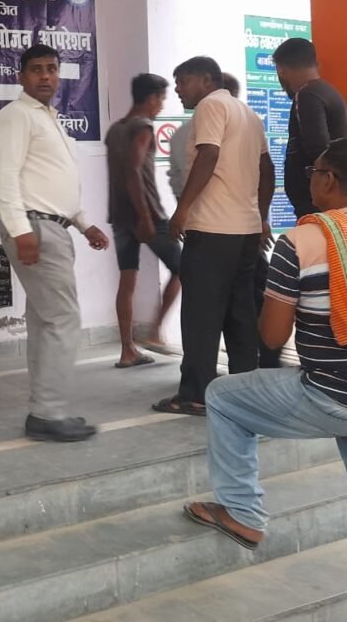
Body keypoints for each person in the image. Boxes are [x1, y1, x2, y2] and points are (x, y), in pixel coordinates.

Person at [185, 138, 347, 622]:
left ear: (329, 180)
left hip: (332, 398)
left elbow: (272, 336)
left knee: (222, 396)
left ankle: (243, 512)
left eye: (314, 171)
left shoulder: (302, 242)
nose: (311, 179)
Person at [0, 45, 109, 443]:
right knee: (63, 320)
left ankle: (44, 409)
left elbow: (50, 183)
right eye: (36, 70)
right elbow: (5, 176)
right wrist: (20, 229)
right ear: (21, 77)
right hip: (35, 228)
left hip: (52, 226)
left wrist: (84, 224)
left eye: (52, 69)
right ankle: (48, 411)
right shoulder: (17, 115)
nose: (45, 76)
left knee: (45, 322)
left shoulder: (50, 119)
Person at [156, 57, 273, 416]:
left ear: (207, 80)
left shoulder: (210, 106)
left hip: (211, 229)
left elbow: (208, 154)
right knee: (240, 314)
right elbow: (266, 169)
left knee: (201, 317)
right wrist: (261, 217)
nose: (178, 89)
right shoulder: (247, 113)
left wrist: (183, 209)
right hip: (245, 231)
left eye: (183, 81)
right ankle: (244, 391)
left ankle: (195, 395)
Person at [104, 73, 181, 368]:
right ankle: (155, 332)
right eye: (161, 99)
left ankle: (127, 350)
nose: (161, 105)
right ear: (151, 98)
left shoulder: (115, 130)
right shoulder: (143, 127)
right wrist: (145, 216)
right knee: (183, 268)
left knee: (127, 280)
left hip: (120, 215)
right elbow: (133, 171)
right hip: (146, 215)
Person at [273, 38, 347, 219]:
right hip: (334, 194)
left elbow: (318, 147)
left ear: (282, 70)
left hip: (317, 202)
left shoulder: (306, 94)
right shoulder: (329, 92)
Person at [168, 72, 239, 200]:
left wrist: (184, 207)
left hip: (194, 208)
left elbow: (176, 181)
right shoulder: (241, 128)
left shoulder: (180, 134)